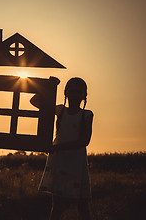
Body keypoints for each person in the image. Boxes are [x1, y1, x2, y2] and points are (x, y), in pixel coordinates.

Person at [31, 77, 94, 220]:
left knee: (82, 206)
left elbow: (84, 141)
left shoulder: (87, 115)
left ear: (84, 95)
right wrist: (48, 86)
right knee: (57, 206)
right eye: (71, 90)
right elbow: (34, 101)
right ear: (65, 92)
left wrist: (58, 147)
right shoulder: (60, 110)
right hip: (59, 161)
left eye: (79, 92)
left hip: (76, 163)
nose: (75, 94)